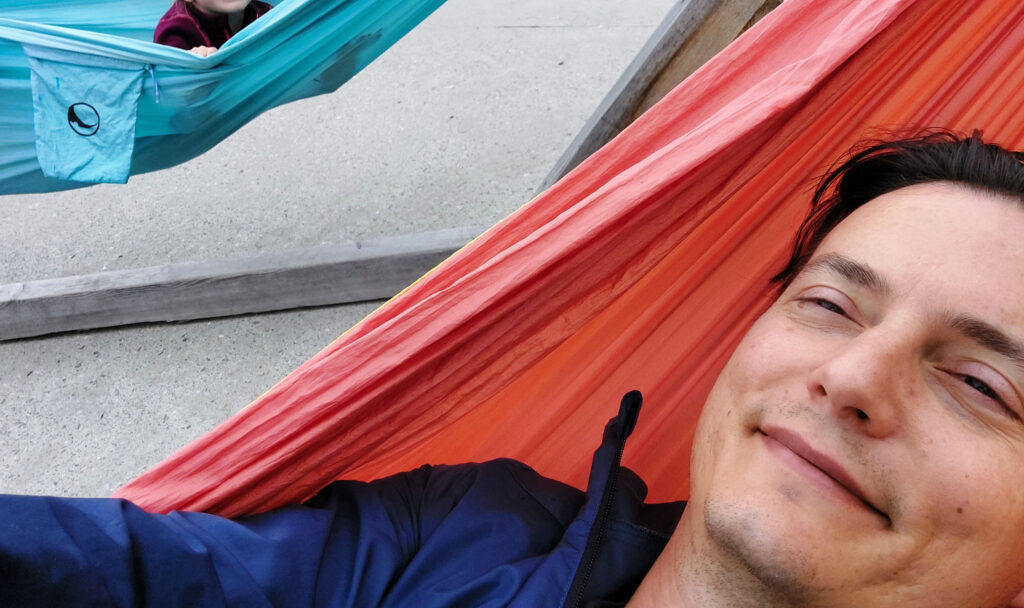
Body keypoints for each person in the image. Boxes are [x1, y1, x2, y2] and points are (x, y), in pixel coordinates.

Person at [1, 131, 1023, 607]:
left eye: (981, 384)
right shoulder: (459, 538)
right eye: (829, 303)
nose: (851, 377)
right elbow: (135, 579)